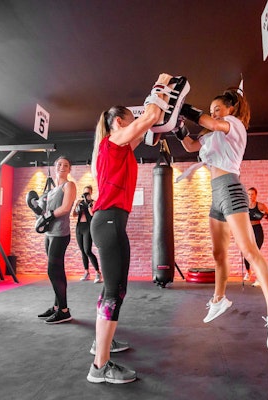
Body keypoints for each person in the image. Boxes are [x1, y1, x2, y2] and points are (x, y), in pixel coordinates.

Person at [86, 73, 188, 384]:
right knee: (114, 293)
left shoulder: (117, 147)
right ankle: (99, 367)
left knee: (113, 292)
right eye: (132, 118)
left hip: (110, 222)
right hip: (109, 222)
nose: (138, 120)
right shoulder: (113, 140)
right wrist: (162, 84)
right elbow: (154, 115)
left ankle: (101, 344)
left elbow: (154, 130)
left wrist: (176, 122)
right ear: (118, 122)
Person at [176, 87, 268, 351]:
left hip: (230, 188)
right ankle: (219, 299)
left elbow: (209, 121)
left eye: (218, 109)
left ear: (231, 110)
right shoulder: (212, 135)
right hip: (216, 193)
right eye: (211, 108)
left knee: (249, 251)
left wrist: (184, 107)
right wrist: (178, 126)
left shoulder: (233, 126)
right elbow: (191, 145)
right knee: (218, 253)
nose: (214, 112)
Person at [36, 155, 77, 324]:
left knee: (53, 271)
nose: (62, 166)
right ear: (54, 167)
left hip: (60, 234)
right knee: (57, 271)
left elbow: (66, 208)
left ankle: (64, 310)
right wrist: (34, 204)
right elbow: (41, 210)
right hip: (49, 234)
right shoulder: (51, 190)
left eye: (66, 165)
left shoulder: (69, 185)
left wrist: (48, 216)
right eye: (59, 164)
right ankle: (56, 307)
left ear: (69, 169)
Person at [73, 185, 102, 283]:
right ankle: (86, 272)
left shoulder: (93, 203)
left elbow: (93, 215)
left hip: (88, 228)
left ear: (90, 193)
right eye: (84, 193)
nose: (85, 195)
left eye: (87, 193)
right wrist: (76, 206)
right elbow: (74, 215)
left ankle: (98, 273)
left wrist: (89, 205)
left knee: (87, 250)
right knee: (82, 251)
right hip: (79, 228)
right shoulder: (79, 203)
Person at [245, 187, 268, 286]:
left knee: (256, 254)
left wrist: (266, 216)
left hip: (257, 230)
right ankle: (248, 272)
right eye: (249, 194)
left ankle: (259, 278)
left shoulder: (260, 205)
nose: (250, 196)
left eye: (252, 194)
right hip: (248, 230)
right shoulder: (244, 206)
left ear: (256, 195)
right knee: (247, 253)